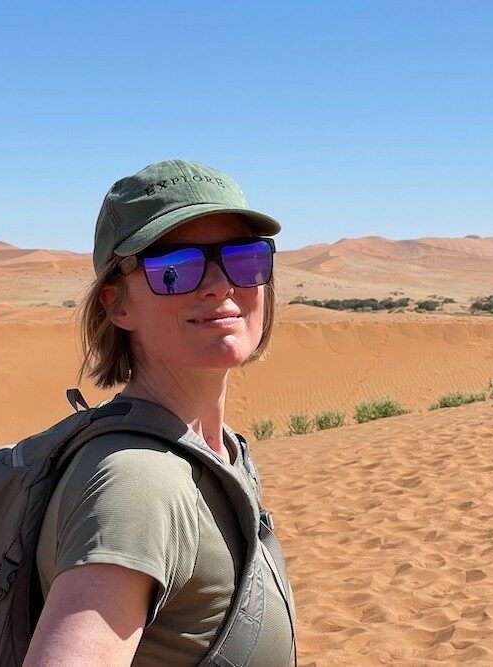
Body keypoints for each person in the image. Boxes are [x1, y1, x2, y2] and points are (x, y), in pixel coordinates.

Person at [25, 159, 296, 666]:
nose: (220, 286)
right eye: (175, 268)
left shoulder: (221, 453)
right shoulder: (140, 483)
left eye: (244, 258)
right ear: (117, 305)